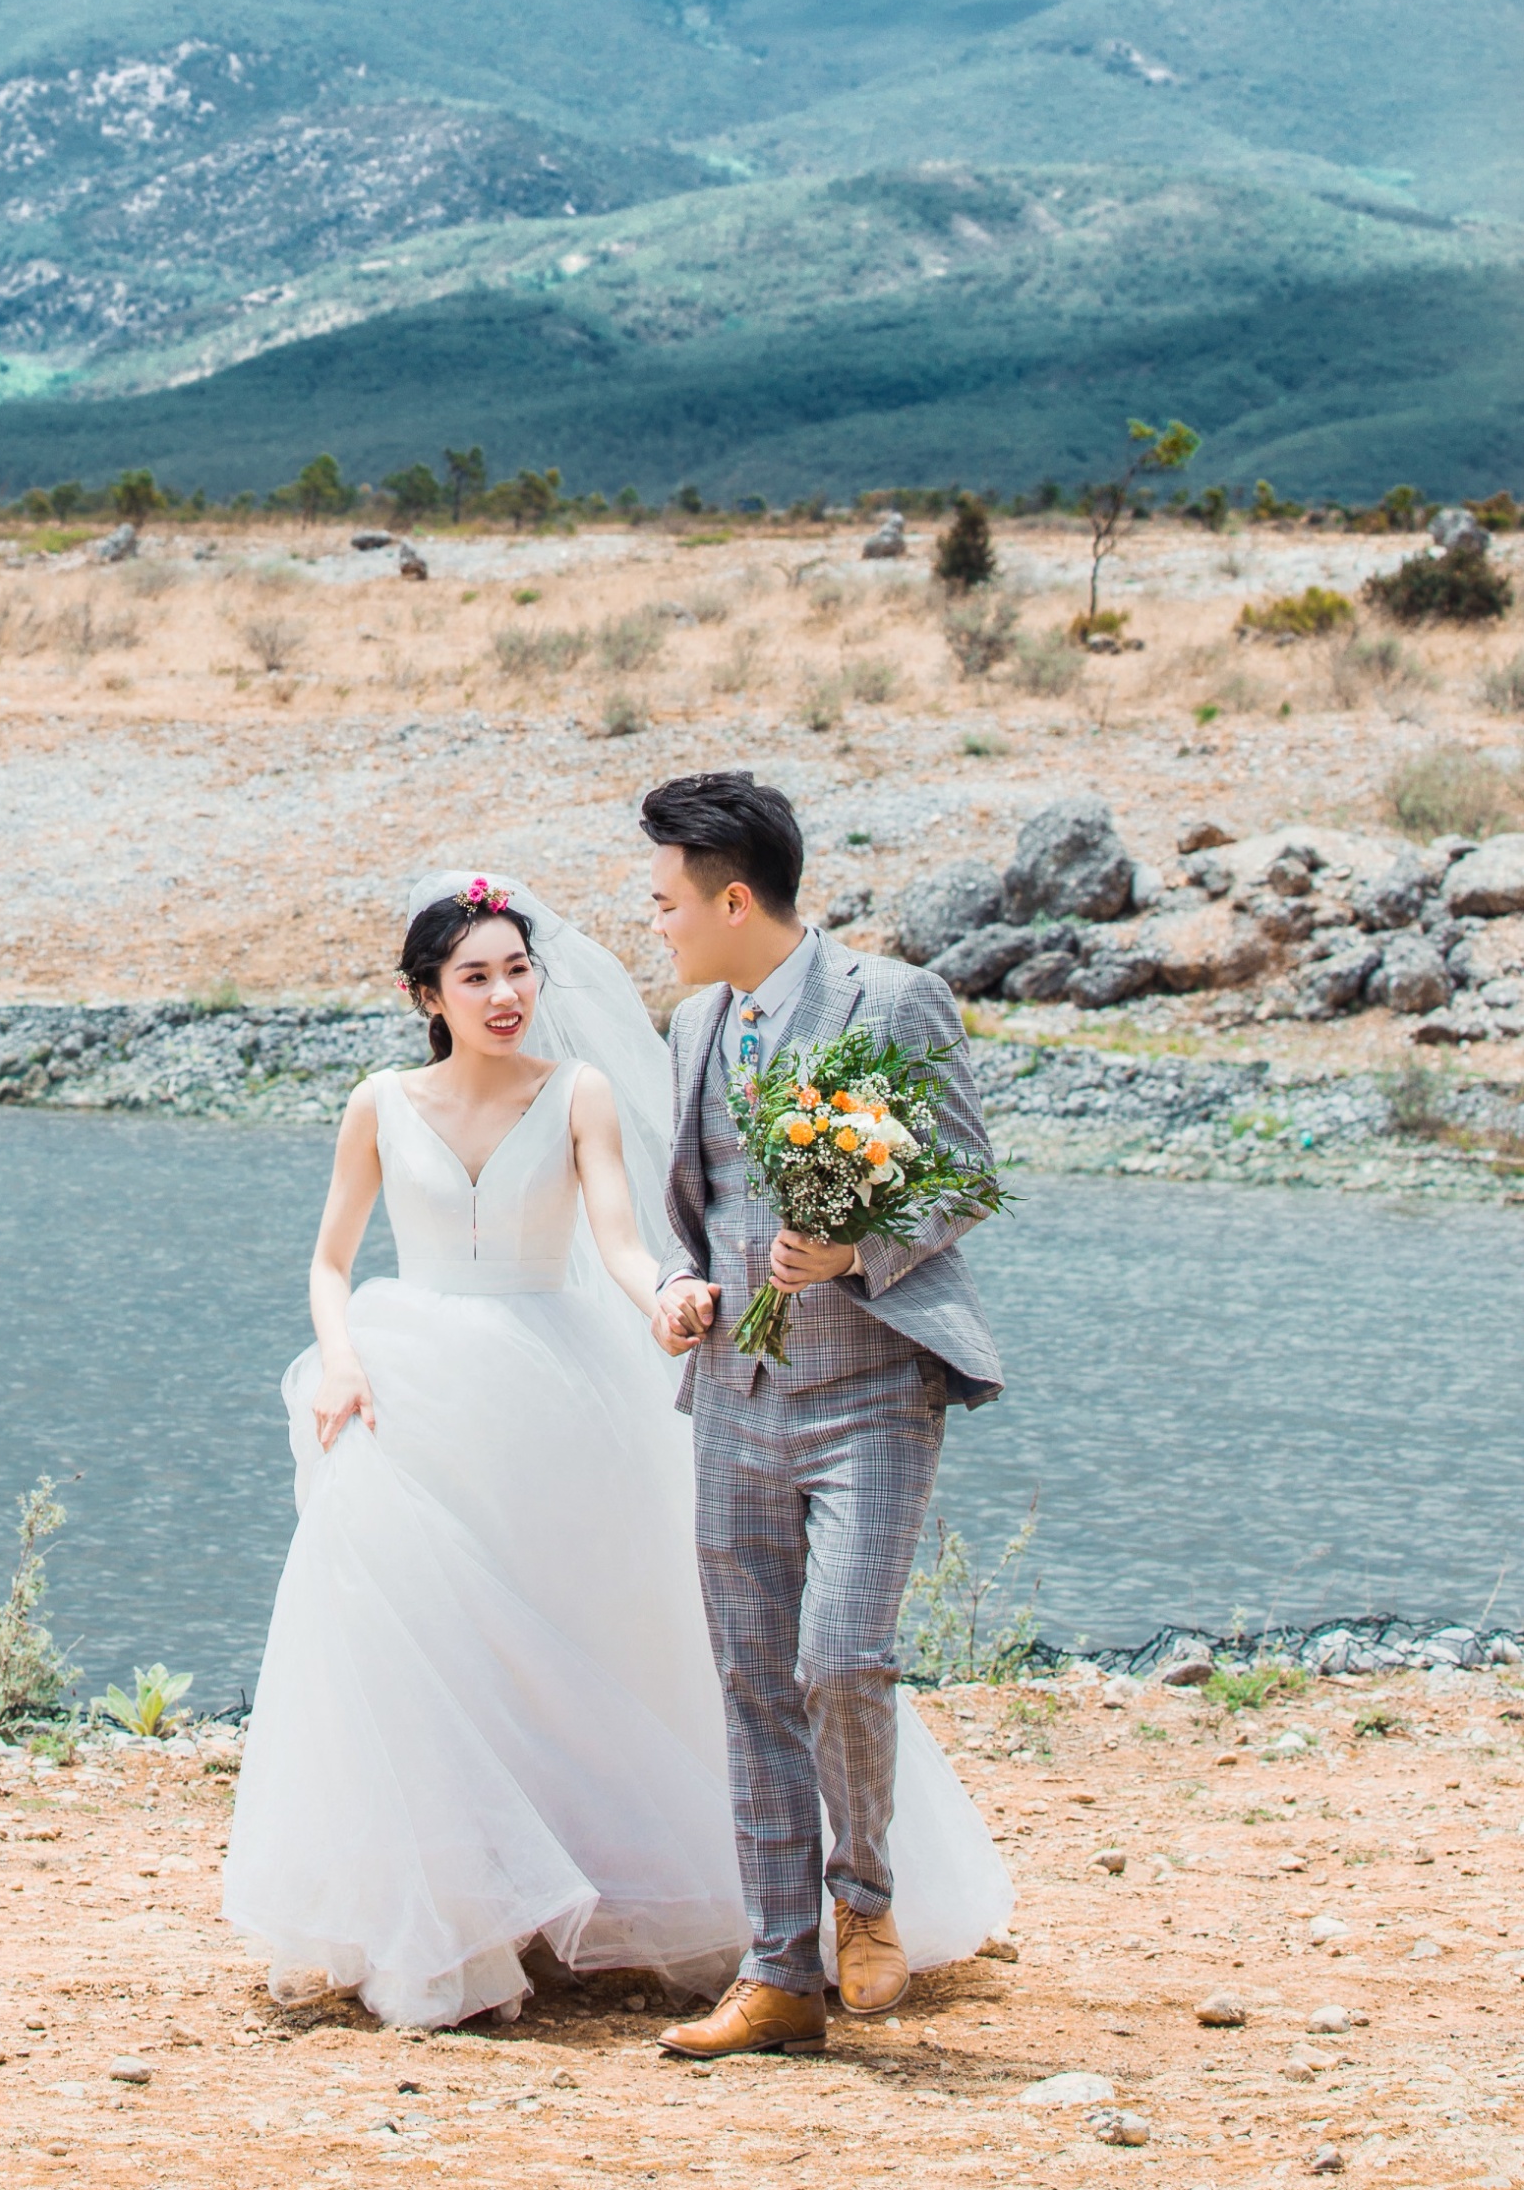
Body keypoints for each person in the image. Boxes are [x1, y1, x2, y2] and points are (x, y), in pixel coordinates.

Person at [218, 867, 1008, 2030]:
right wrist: (340, 1358)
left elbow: (624, 1242)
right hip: (409, 1381)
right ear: (427, 995)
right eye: (476, 977)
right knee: (416, 1632)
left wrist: (669, 1301)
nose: (505, 995)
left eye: (517, 971)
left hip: (549, 1378)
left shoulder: (578, 1091)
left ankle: (653, 1894)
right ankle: (458, 1908)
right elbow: (330, 1260)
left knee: (575, 1633)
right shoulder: (378, 1101)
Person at [643, 767, 1006, 2062]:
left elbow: (965, 1173)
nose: (657, 923)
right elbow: (688, 1207)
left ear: (733, 899)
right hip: (731, 1395)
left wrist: (855, 1251)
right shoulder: (691, 1025)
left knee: (840, 1658)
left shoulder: (892, 1000)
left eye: (667, 902)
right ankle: (778, 1975)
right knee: (750, 1681)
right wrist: (679, 1284)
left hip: (870, 1392)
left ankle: (864, 1900)